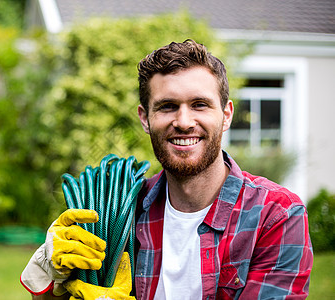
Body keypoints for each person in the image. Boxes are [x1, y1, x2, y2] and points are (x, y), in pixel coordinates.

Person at [20, 39, 313, 300]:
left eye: (200, 105)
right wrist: (49, 270)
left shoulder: (276, 215)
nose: (184, 121)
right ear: (145, 118)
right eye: (167, 106)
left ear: (226, 116)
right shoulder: (119, 212)